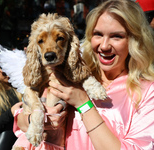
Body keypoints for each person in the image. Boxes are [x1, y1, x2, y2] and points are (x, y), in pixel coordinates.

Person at [47, 0, 154, 149]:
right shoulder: (74, 77)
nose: (104, 46)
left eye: (116, 36)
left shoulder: (148, 92)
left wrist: (83, 103)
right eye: (98, 34)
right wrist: (29, 118)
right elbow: (31, 124)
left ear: (133, 40)